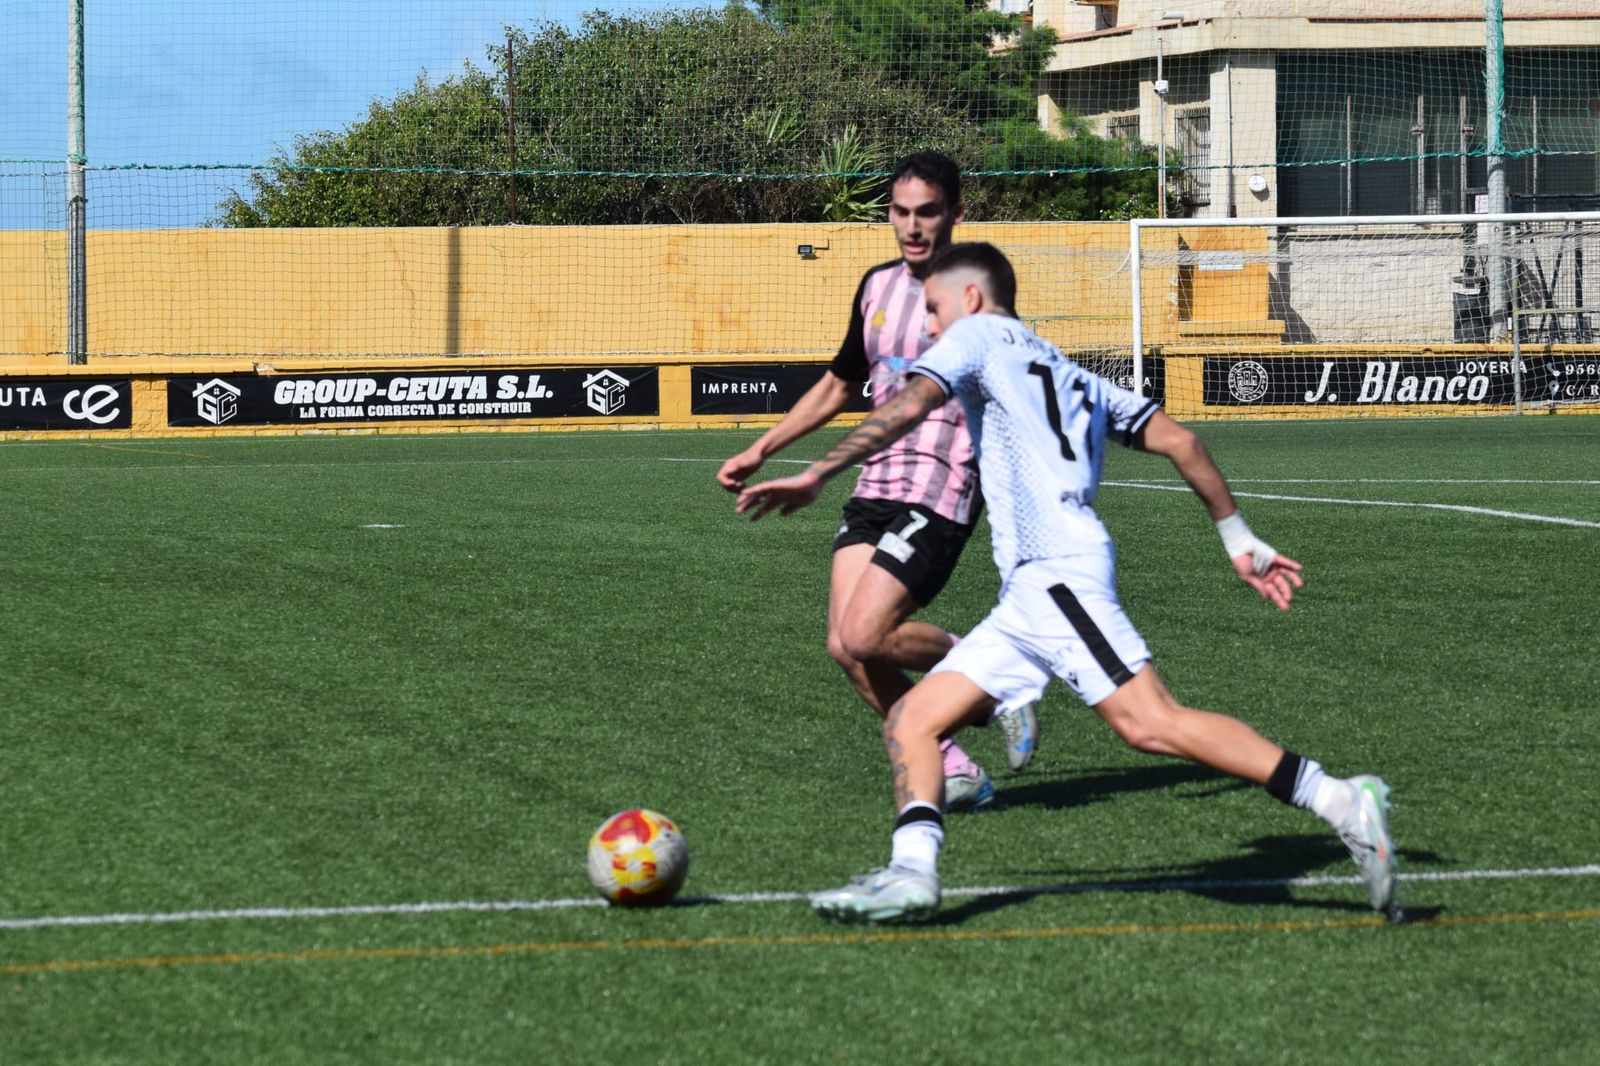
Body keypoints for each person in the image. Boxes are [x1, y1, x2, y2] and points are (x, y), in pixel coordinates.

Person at [735, 242, 1400, 925]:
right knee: (913, 719)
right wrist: (1239, 539)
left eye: (933, 309)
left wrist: (819, 471)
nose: (929, 328)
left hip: (1058, 575)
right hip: (1030, 592)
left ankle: (1338, 799)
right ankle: (912, 873)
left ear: (969, 299)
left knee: (1150, 724)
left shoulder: (977, 335)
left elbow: (909, 405)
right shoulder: (1071, 372)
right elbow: (1181, 441)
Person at [717, 152, 1037, 811]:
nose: (913, 227)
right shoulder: (876, 286)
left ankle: (996, 677)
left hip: (942, 484)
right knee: (847, 645)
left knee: (867, 633)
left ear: (955, 215)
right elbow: (840, 384)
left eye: (927, 213)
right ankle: (954, 765)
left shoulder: (975, 295)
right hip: (875, 483)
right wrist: (761, 449)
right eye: (901, 212)